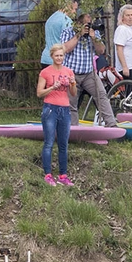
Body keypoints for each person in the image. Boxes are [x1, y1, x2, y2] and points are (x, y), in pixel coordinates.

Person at [60, 9, 117, 127]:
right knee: (71, 103)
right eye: (86, 23)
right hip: (71, 74)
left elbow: (101, 51)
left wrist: (93, 38)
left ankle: (112, 125)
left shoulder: (93, 33)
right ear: (78, 23)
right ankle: (73, 129)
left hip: (89, 73)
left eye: (89, 23)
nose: (88, 26)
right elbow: (65, 49)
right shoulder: (68, 31)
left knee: (101, 96)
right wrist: (78, 35)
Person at [36, 43, 75, 187]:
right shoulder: (45, 72)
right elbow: (39, 93)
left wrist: (72, 83)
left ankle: (63, 175)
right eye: (57, 55)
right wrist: (53, 87)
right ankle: (48, 174)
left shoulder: (69, 71)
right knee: (49, 142)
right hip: (50, 109)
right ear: (52, 56)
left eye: (61, 55)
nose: (59, 58)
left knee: (63, 144)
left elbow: (73, 93)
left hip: (64, 109)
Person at [41, 0, 77, 66]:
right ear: (69, 6)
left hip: (46, 58)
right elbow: (68, 45)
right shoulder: (66, 21)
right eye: (74, 9)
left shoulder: (51, 18)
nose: (75, 12)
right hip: (58, 60)